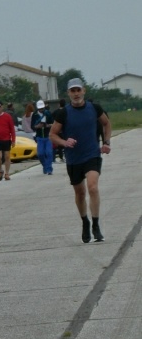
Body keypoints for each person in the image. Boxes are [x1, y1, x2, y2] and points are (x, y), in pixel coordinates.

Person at [49, 78, 111, 243]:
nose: (76, 94)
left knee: (92, 187)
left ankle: (96, 224)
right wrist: (64, 142)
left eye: (78, 90)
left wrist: (106, 142)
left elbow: (106, 123)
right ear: (68, 93)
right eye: (73, 91)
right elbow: (52, 135)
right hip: (74, 158)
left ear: (84, 91)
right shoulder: (63, 113)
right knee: (80, 192)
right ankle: (85, 221)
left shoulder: (94, 108)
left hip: (92, 154)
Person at [31, 100, 54, 175]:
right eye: (40, 108)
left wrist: (48, 125)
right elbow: (32, 126)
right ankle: (45, 166)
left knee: (49, 153)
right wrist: (37, 126)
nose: (41, 109)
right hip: (40, 137)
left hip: (48, 136)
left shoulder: (48, 113)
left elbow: (53, 123)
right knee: (40, 154)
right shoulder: (34, 115)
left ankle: (49, 169)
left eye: (42, 108)